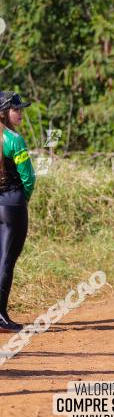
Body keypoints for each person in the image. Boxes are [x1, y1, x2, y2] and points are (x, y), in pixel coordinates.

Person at [0, 92, 36, 332]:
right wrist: (23, 199)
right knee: (6, 259)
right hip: (12, 205)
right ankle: (1, 316)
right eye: (17, 109)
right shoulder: (15, 139)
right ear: (3, 112)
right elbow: (28, 177)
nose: (21, 112)